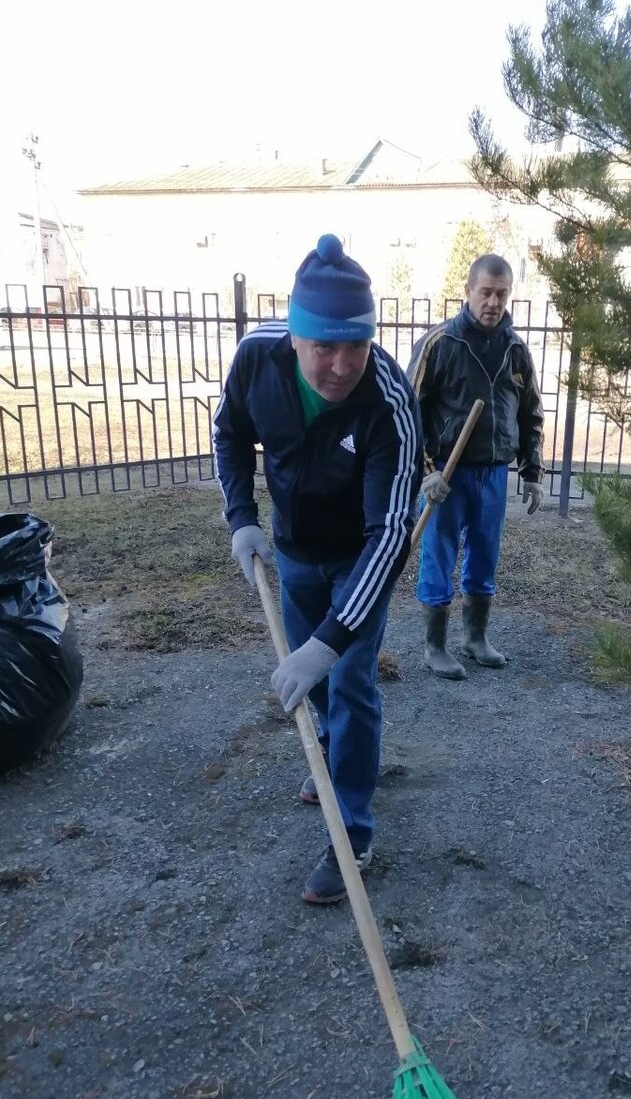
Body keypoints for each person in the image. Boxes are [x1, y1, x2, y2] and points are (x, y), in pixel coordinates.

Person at [213, 233, 421, 904]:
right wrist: (242, 516)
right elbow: (229, 433)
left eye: (355, 345)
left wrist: (331, 641)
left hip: (360, 561)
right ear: (296, 338)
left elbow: (391, 535)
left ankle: (353, 831)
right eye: (323, 347)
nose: (339, 365)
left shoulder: (389, 403)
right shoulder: (256, 361)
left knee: (349, 678)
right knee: (323, 688)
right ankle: (334, 756)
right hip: (293, 549)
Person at [407, 253, 545, 680]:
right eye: (485, 292)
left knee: (485, 556)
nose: (493, 302)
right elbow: (409, 412)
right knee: (439, 554)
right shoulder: (440, 344)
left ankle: (475, 638)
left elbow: (530, 414)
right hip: (446, 475)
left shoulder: (515, 350)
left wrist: (532, 472)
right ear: (468, 291)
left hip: (492, 473)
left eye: (502, 294)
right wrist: (426, 470)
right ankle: (435, 646)